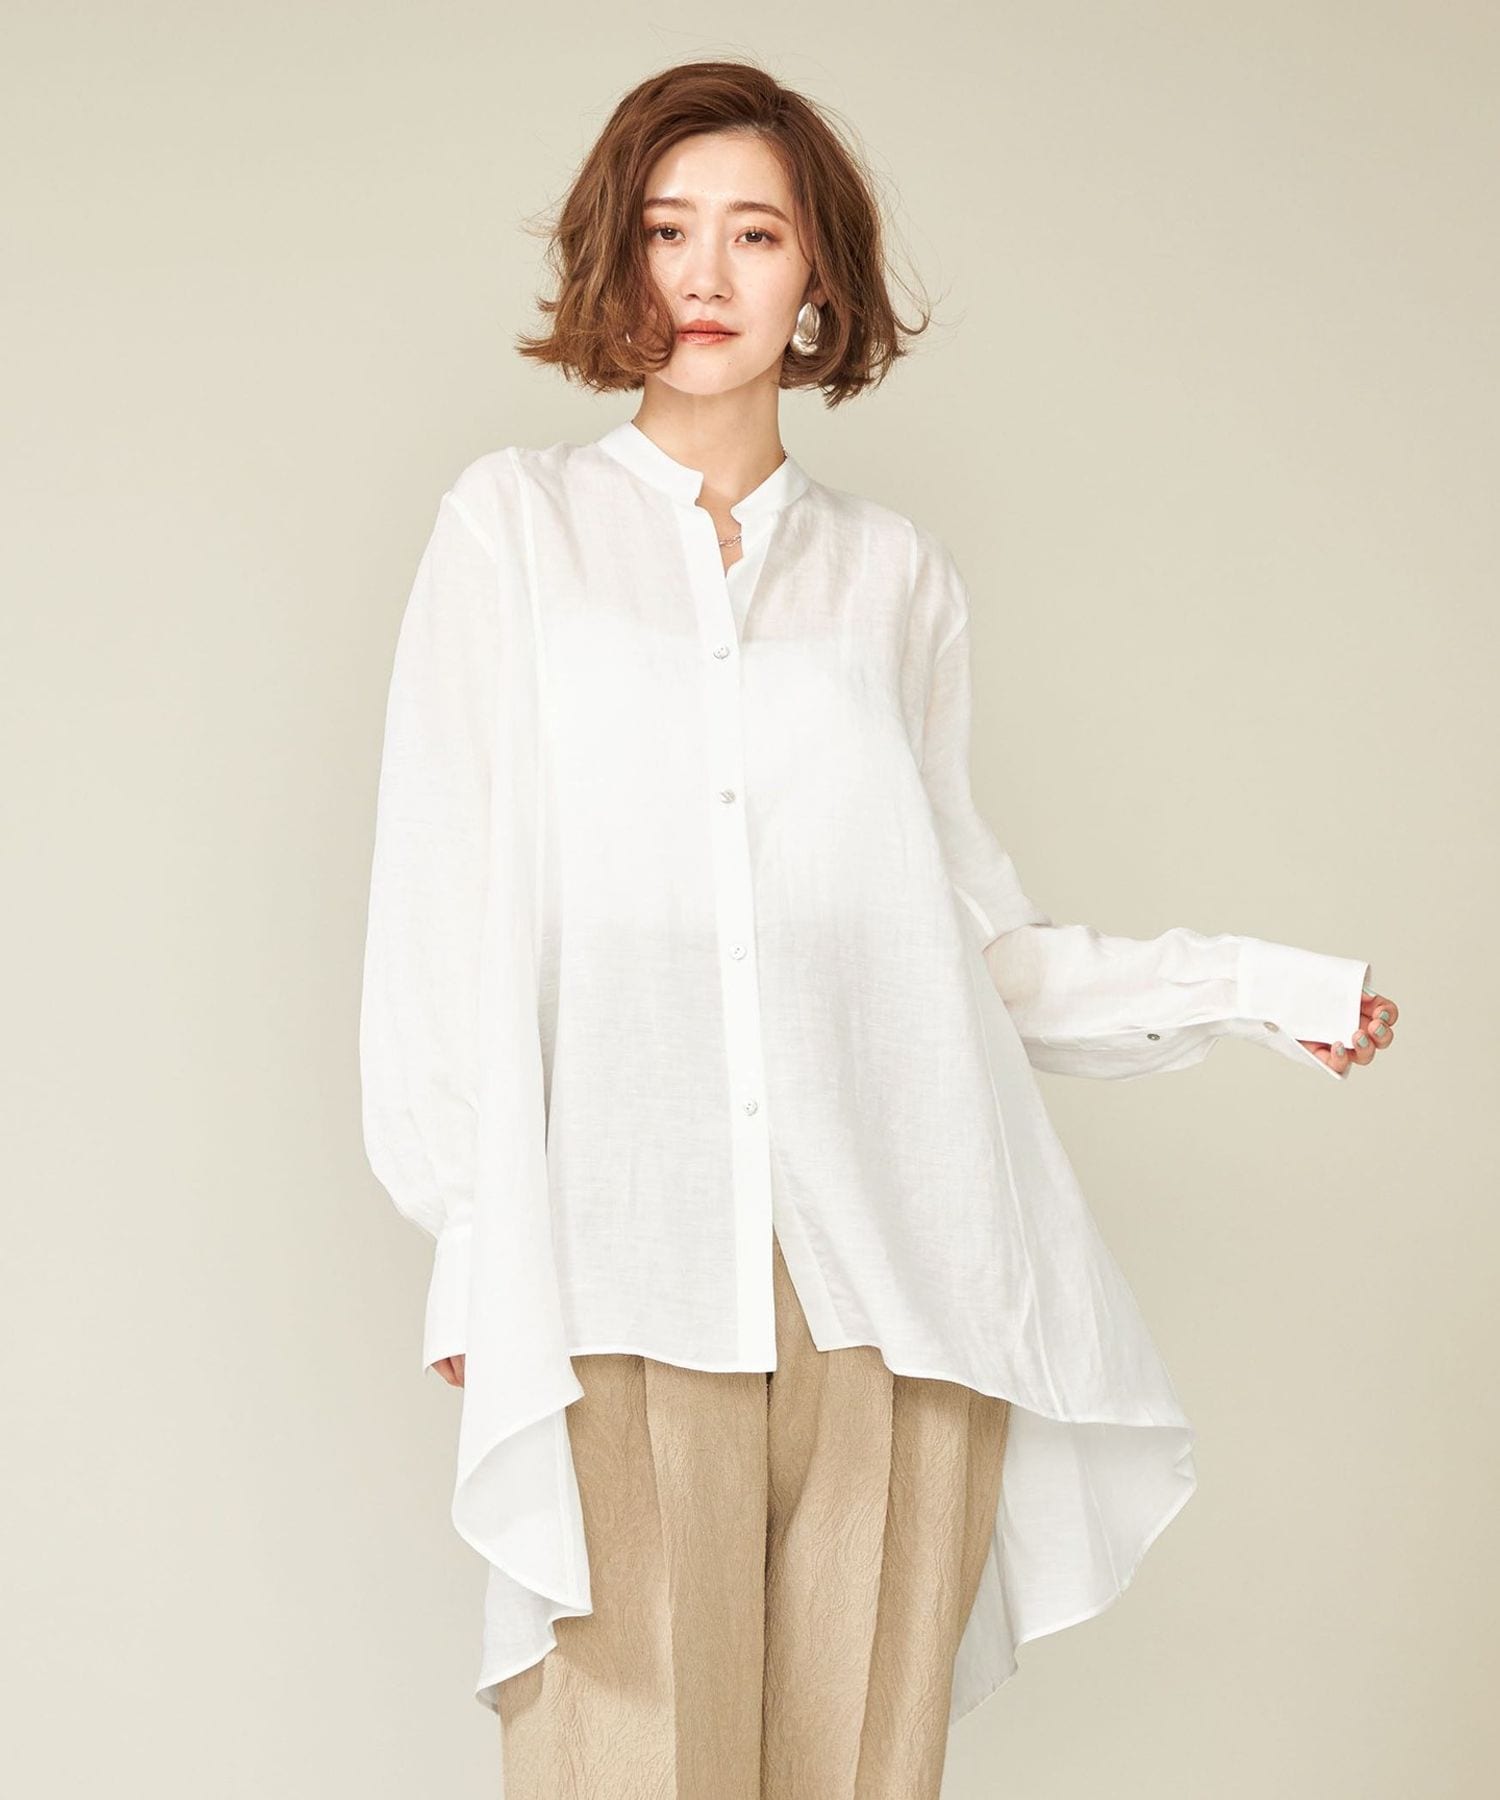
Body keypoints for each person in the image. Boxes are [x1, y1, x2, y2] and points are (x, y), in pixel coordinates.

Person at [358, 57, 1398, 1800]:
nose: (704, 275)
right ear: (616, 259)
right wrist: (475, 1233)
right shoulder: (514, 532)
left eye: (754, 235)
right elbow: (440, 903)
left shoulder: (893, 580)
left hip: (895, 1288)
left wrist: (1249, 989)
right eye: (666, 231)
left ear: (818, 278)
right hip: (621, 1251)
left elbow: (964, 955)